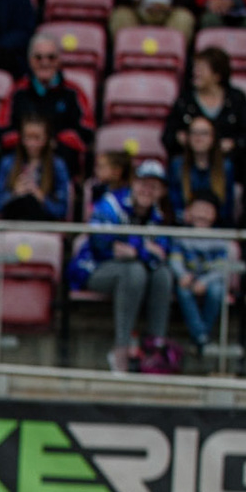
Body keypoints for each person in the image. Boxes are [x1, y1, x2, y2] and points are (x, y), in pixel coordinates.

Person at [70, 157, 172, 373]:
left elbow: (161, 254)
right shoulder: (111, 203)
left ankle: (154, 348)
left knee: (162, 274)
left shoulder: (159, 216)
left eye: (153, 186)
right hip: (94, 268)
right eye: (143, 183)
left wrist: (134, 250)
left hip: (133, 272)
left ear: (161, 192)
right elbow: (100, 241)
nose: (147, 190)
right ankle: (121, 349)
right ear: (133, 183)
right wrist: (144, 250)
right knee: (134, 271)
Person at [0, 33, 93, 175]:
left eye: (51, 57)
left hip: (61, 159)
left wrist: (51, 142)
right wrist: (31, 141)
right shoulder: (16, 92)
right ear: (30, 61)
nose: (45, 62)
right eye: (38, 57)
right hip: (21, 159)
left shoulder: (74, 92)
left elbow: (87, 133)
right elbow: (2, 131)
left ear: (59, 60)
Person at [162, 46, 246, 160]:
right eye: (195, 68)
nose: (196, 73)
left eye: (202, 69)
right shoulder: (185, 100)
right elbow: (168, 136)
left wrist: (234, 143)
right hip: (192, 164)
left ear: (217, 75)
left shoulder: (236, 99)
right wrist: (181, 138)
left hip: (230, 163)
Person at [168, 193, 230, 352]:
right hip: (187, 278)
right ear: (188, 212)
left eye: (207, 210)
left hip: (210, 279)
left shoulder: (220, 239)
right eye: (198, 209)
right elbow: (175, 260)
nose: (202, 214)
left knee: (217, 291)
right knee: (183, 291)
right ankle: (201, 335)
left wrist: (205, 281)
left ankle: (200, 334)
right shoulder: (181, 236)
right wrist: (182, 275)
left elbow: (222, 268)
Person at [0, 113, 71, 219]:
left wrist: (40, 196)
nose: (31, 143)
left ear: (46, 138)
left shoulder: (57, 166)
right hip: (13, 223)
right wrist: (15, 194)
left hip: (44, 225)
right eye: (28, 138)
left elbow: (61, 210)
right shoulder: (7, 163)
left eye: (37, 138)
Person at [167, 114, 236, 223]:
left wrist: (209, 216)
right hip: (184, 228)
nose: (198, 138)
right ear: (187, 137)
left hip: (217, 229)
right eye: (194, 132)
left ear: (213, 137)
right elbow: (174, 204)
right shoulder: (177, 166)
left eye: (204, 133)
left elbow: (227, 208)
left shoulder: (226, 167)